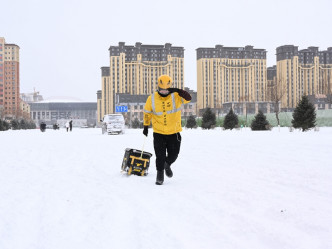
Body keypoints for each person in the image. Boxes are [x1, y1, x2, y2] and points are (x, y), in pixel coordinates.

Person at [143, 75, 191, 185]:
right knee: (160, 155)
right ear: (158, 88)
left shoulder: (176, 96)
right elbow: (147, 113)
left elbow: (188, 98)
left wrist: (178, 90)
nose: (164, 92)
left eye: (166, 90)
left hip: (174, 132)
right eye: (161, 90)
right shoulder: (152, 98)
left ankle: (167, 164)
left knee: (174, 154)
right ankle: (160, 175)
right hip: (159, 132)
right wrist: (146, 126)